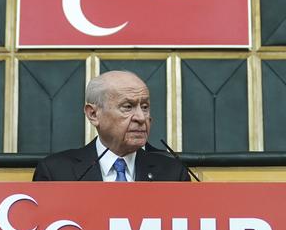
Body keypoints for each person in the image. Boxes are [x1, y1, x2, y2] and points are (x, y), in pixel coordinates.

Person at [32, 70, 191, 182]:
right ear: (93, 114)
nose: (141, 118)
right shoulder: (56, 173)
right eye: (128, 107)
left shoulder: (172, 173)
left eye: (144, 107)